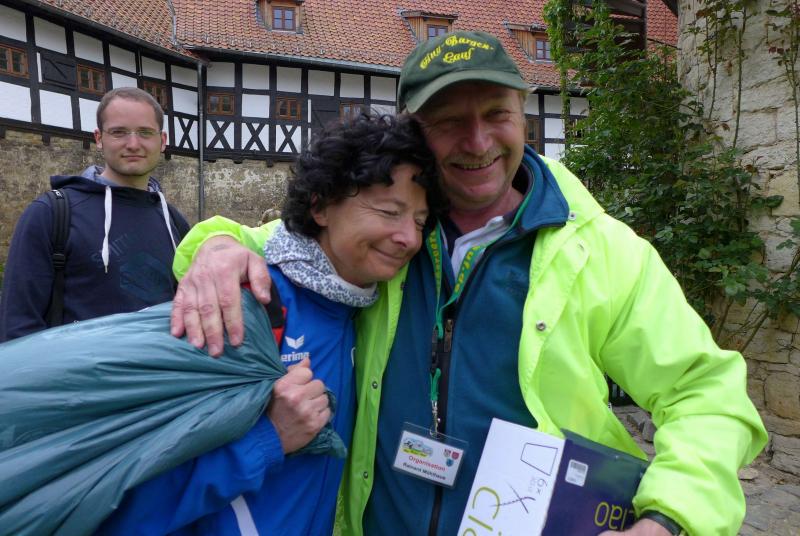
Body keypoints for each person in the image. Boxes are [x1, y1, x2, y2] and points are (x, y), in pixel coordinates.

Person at [168, 31, 768, 536]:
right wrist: (214, 247)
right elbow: (273, 242)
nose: (478, 143)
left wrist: (668, 518)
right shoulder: (382, 235)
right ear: (415, 132)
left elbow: (705, 394)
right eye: (450, 122)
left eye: (497, 115)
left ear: (523, 115)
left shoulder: (604, 251)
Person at [98, 114, 443, 535]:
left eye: (420, 222)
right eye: (390, 212)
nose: (409, 238)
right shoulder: (242, 304)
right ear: (320, 206)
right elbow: (131, 500)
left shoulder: (360, 310)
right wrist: (269, 438)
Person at [0, 87, 190, 342]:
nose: (133, 144)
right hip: (73, 368)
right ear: (99, 138)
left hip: (160, 366)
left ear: (162, 140)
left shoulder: (174, 221)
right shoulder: (51, 213)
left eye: (145, 132)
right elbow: (17, 326)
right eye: (119, 132)